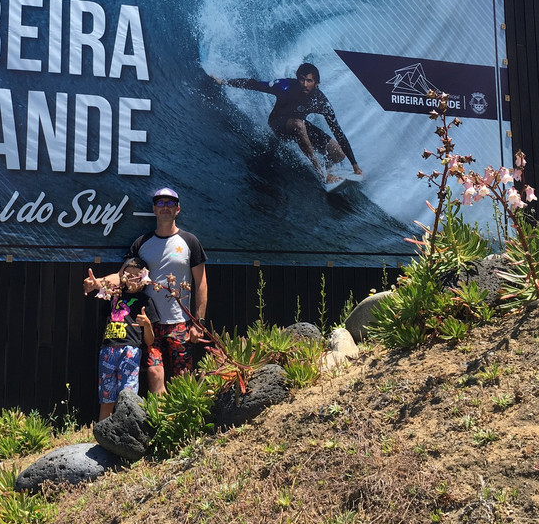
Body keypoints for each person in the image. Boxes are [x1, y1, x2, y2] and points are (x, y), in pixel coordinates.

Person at [83, 187, 208, 394]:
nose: (165, 207)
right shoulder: (142, 243)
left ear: (178, 209)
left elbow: (201, 282)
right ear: (154, 209)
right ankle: (160, 421)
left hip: (181, 324)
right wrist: (98, 283)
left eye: (170, 203)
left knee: (183, 379)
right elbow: (122, 276)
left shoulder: (190, 242)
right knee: (154, 374)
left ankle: (182, 424)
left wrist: (199, 322)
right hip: (148, 323)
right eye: (160, 203)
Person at [211, 63, 363, 182]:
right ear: (297, 78)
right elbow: (255, 84)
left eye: (309, 81)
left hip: (300, 125)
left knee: (338, 155)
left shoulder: (321, 102)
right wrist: (224, 81)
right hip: (278, 124)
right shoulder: (284, 86)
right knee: (298, 124)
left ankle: (328, 168)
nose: (304, 84)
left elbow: (338, 131)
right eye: (302, 79)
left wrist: (355, 166)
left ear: (316, 83)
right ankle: (322, 174)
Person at [87, 256, 156, 420]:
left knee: (127, 397)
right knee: (106, 398)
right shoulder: (114, 295)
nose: (132, 279)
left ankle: (125, 433)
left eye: (137, 276)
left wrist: (147, 324)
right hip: (108, 349)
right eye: (128, 275)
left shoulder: (145, 300)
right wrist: (98, 286)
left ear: (144, 278)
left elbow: (150, 341)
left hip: (131, 350)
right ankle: (103, 434)